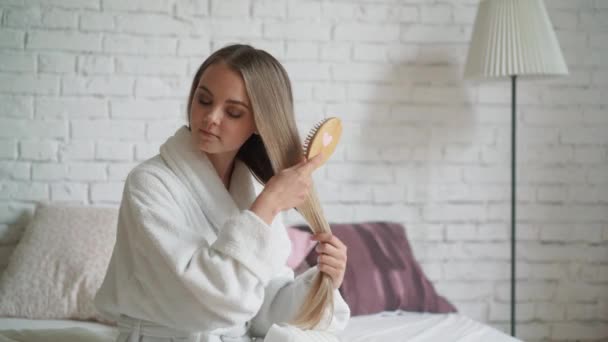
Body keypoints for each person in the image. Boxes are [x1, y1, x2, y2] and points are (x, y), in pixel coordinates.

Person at [94, 44, 350, 342]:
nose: (211, 117)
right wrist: (266, 206)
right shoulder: (149, 184)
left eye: (233, 111)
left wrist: (323, 283)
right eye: (203, 100)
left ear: (258, 123)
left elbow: (262, 307)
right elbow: (212, 300)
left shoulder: (251, 189)